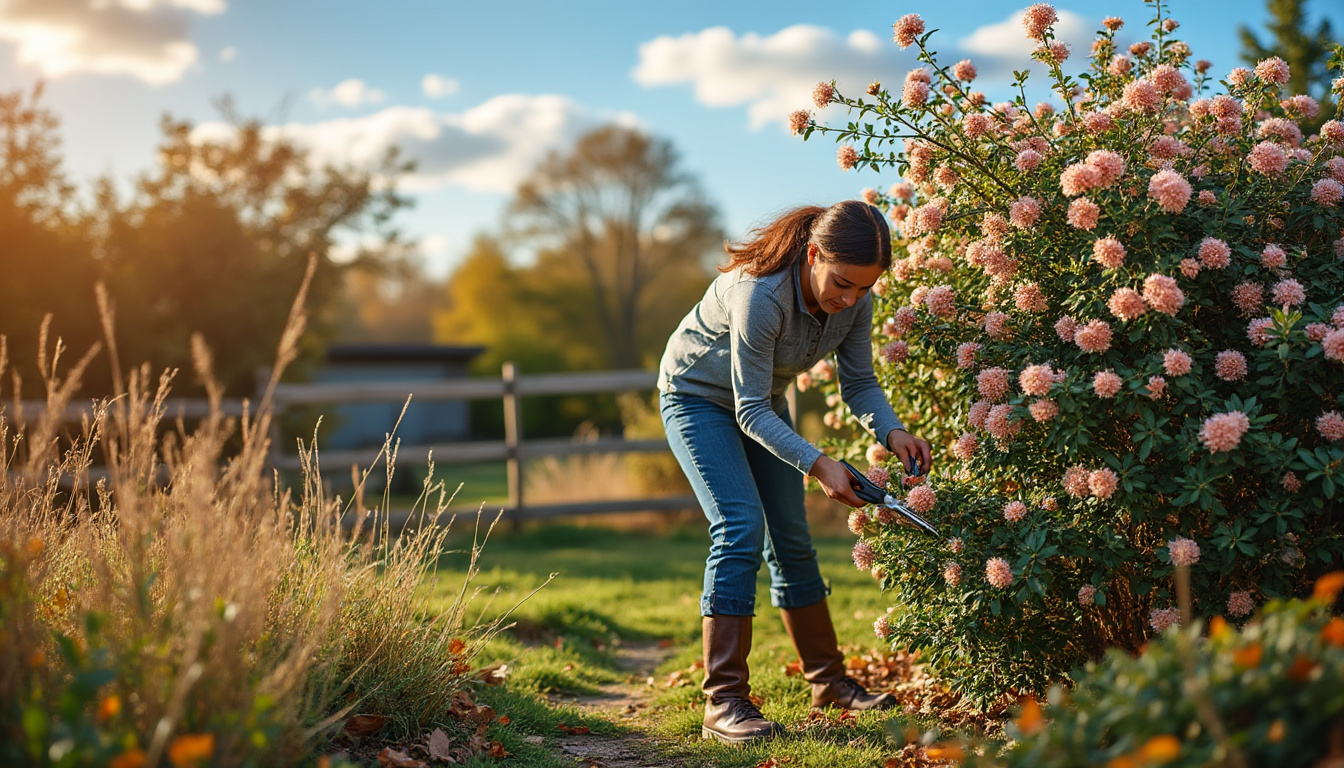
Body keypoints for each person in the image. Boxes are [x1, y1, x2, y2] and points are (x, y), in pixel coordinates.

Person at [657, 200, 934, 743]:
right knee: (739, 526)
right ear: (813, 254)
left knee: (792, 537)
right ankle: (724, 700)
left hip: (761, 402)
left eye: (864, 288)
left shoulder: (856, 297)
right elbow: (748, 409)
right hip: (696, 398)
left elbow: (857, 383)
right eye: (843, 283)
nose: (850, 299)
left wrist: (892, 431)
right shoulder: (758, 295)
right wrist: (819, 463)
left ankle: (829, 682)